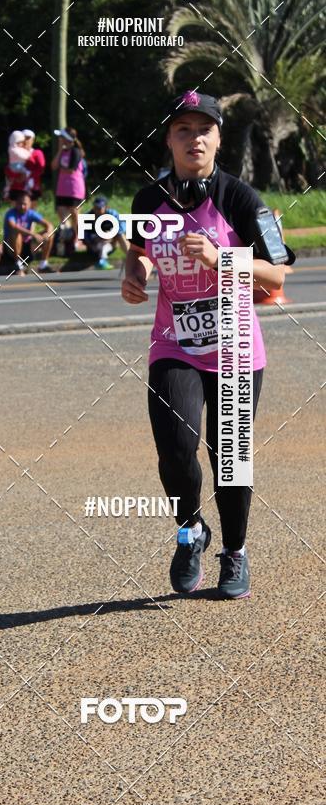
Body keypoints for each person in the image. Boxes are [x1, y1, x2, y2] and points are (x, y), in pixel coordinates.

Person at [121, 90, 295, 600]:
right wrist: (136, 274)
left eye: (204, 129)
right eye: (183, 129)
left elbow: (277, 273)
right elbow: (139, 253)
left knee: (231, 457)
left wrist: (223, 259)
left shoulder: (241, 200)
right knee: (175, 447)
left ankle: (235, 550)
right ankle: (190, 530)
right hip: (174, 344)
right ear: (169, 139)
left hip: (238, 347)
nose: (193, 138)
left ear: (217, 138)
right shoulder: (147, 200)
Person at [51, 127, 86, 253]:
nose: (60, 139)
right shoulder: (63, 152)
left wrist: (61, 167)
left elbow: (70, 169)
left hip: (74, 189)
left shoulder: (76, 151)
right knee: (62, 214)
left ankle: (79, 239)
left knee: (75, 215)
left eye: (62, 137)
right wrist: (60, 150)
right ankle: (67, 240)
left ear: (67, 139)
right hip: (62, 189)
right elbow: (53, 166)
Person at [3, 191, 53, 275]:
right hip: (11, 248)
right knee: (16, 233)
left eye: (25, 204)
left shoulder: (31, 213)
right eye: (19, 203)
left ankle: (43, 265)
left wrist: (47, 233)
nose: (22, 206)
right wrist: (32, 234)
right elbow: (14, 226)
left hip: (28, 246)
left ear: (30, 204)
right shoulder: (10, 213)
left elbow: (49, 225)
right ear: (15, 203)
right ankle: (17, 264)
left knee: (49, 235)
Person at [83, 196, 127, 269]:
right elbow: (84, 235)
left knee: (120, 235)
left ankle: (131, 257)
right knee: (99, 242)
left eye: (100, 208)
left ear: (106, 207)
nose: (97, 210)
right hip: (94, 245)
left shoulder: (112, 214)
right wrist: (93, 240)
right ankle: (102, 260)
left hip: (111, 242)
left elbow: (123, 226)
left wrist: (110, 235)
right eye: (95, 208)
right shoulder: (88, 217)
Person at [4, 130, 32, 201]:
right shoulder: (12, 149)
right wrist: (28, 154)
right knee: (26, 172)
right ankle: (6, 192)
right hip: (15, 166)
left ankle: (27, 188)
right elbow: (23, 156)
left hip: (18, 166)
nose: (22, 144)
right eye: (20, 143)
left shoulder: (17, 149)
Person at [22, 129, 46, 206]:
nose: (26, 140)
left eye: (28, 138)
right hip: (18, 187)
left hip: (33, 187)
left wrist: (29, 175)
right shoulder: (15, 153)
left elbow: (41, 169)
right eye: (24, 138)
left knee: (31, 211)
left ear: (33, 140)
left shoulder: (37, 153)